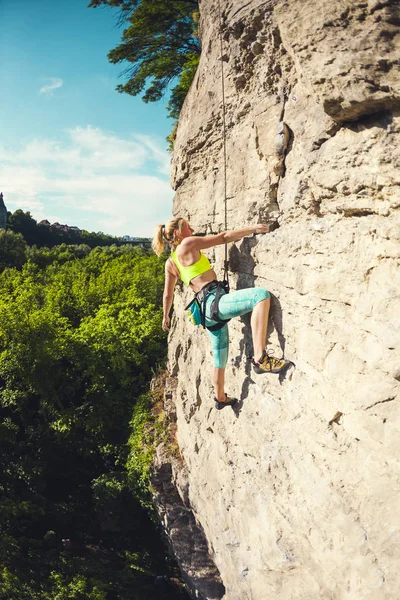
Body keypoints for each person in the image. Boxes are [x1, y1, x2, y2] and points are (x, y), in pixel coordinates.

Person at [152, 217, 291, 409]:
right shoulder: (188, 243)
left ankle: (220, 398)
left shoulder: (171, 262)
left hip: (205, 312)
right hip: (214, 302)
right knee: (260, 296)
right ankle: (261, 358)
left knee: (219, 356)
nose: (192, 228)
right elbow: (223, 237)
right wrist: (252, 228)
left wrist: (165, 316)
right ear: (177, 233)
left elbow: (168, 294)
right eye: (187, 226)